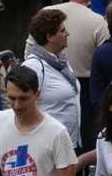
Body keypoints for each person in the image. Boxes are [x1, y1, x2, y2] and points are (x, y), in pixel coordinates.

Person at [38, 0, 108, 142]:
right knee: (86, 140)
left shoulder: (46, 13)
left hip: (47, 83)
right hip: (87, 88)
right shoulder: (99, 22)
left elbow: (30, 50)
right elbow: (103, 61)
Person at [20, 9, 81, 151]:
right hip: (47, 147)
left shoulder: (62, 61)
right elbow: (22, 106)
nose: (67, 34)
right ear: (50, 37)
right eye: (62, 31)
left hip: (69, 143)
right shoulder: (34, 66)